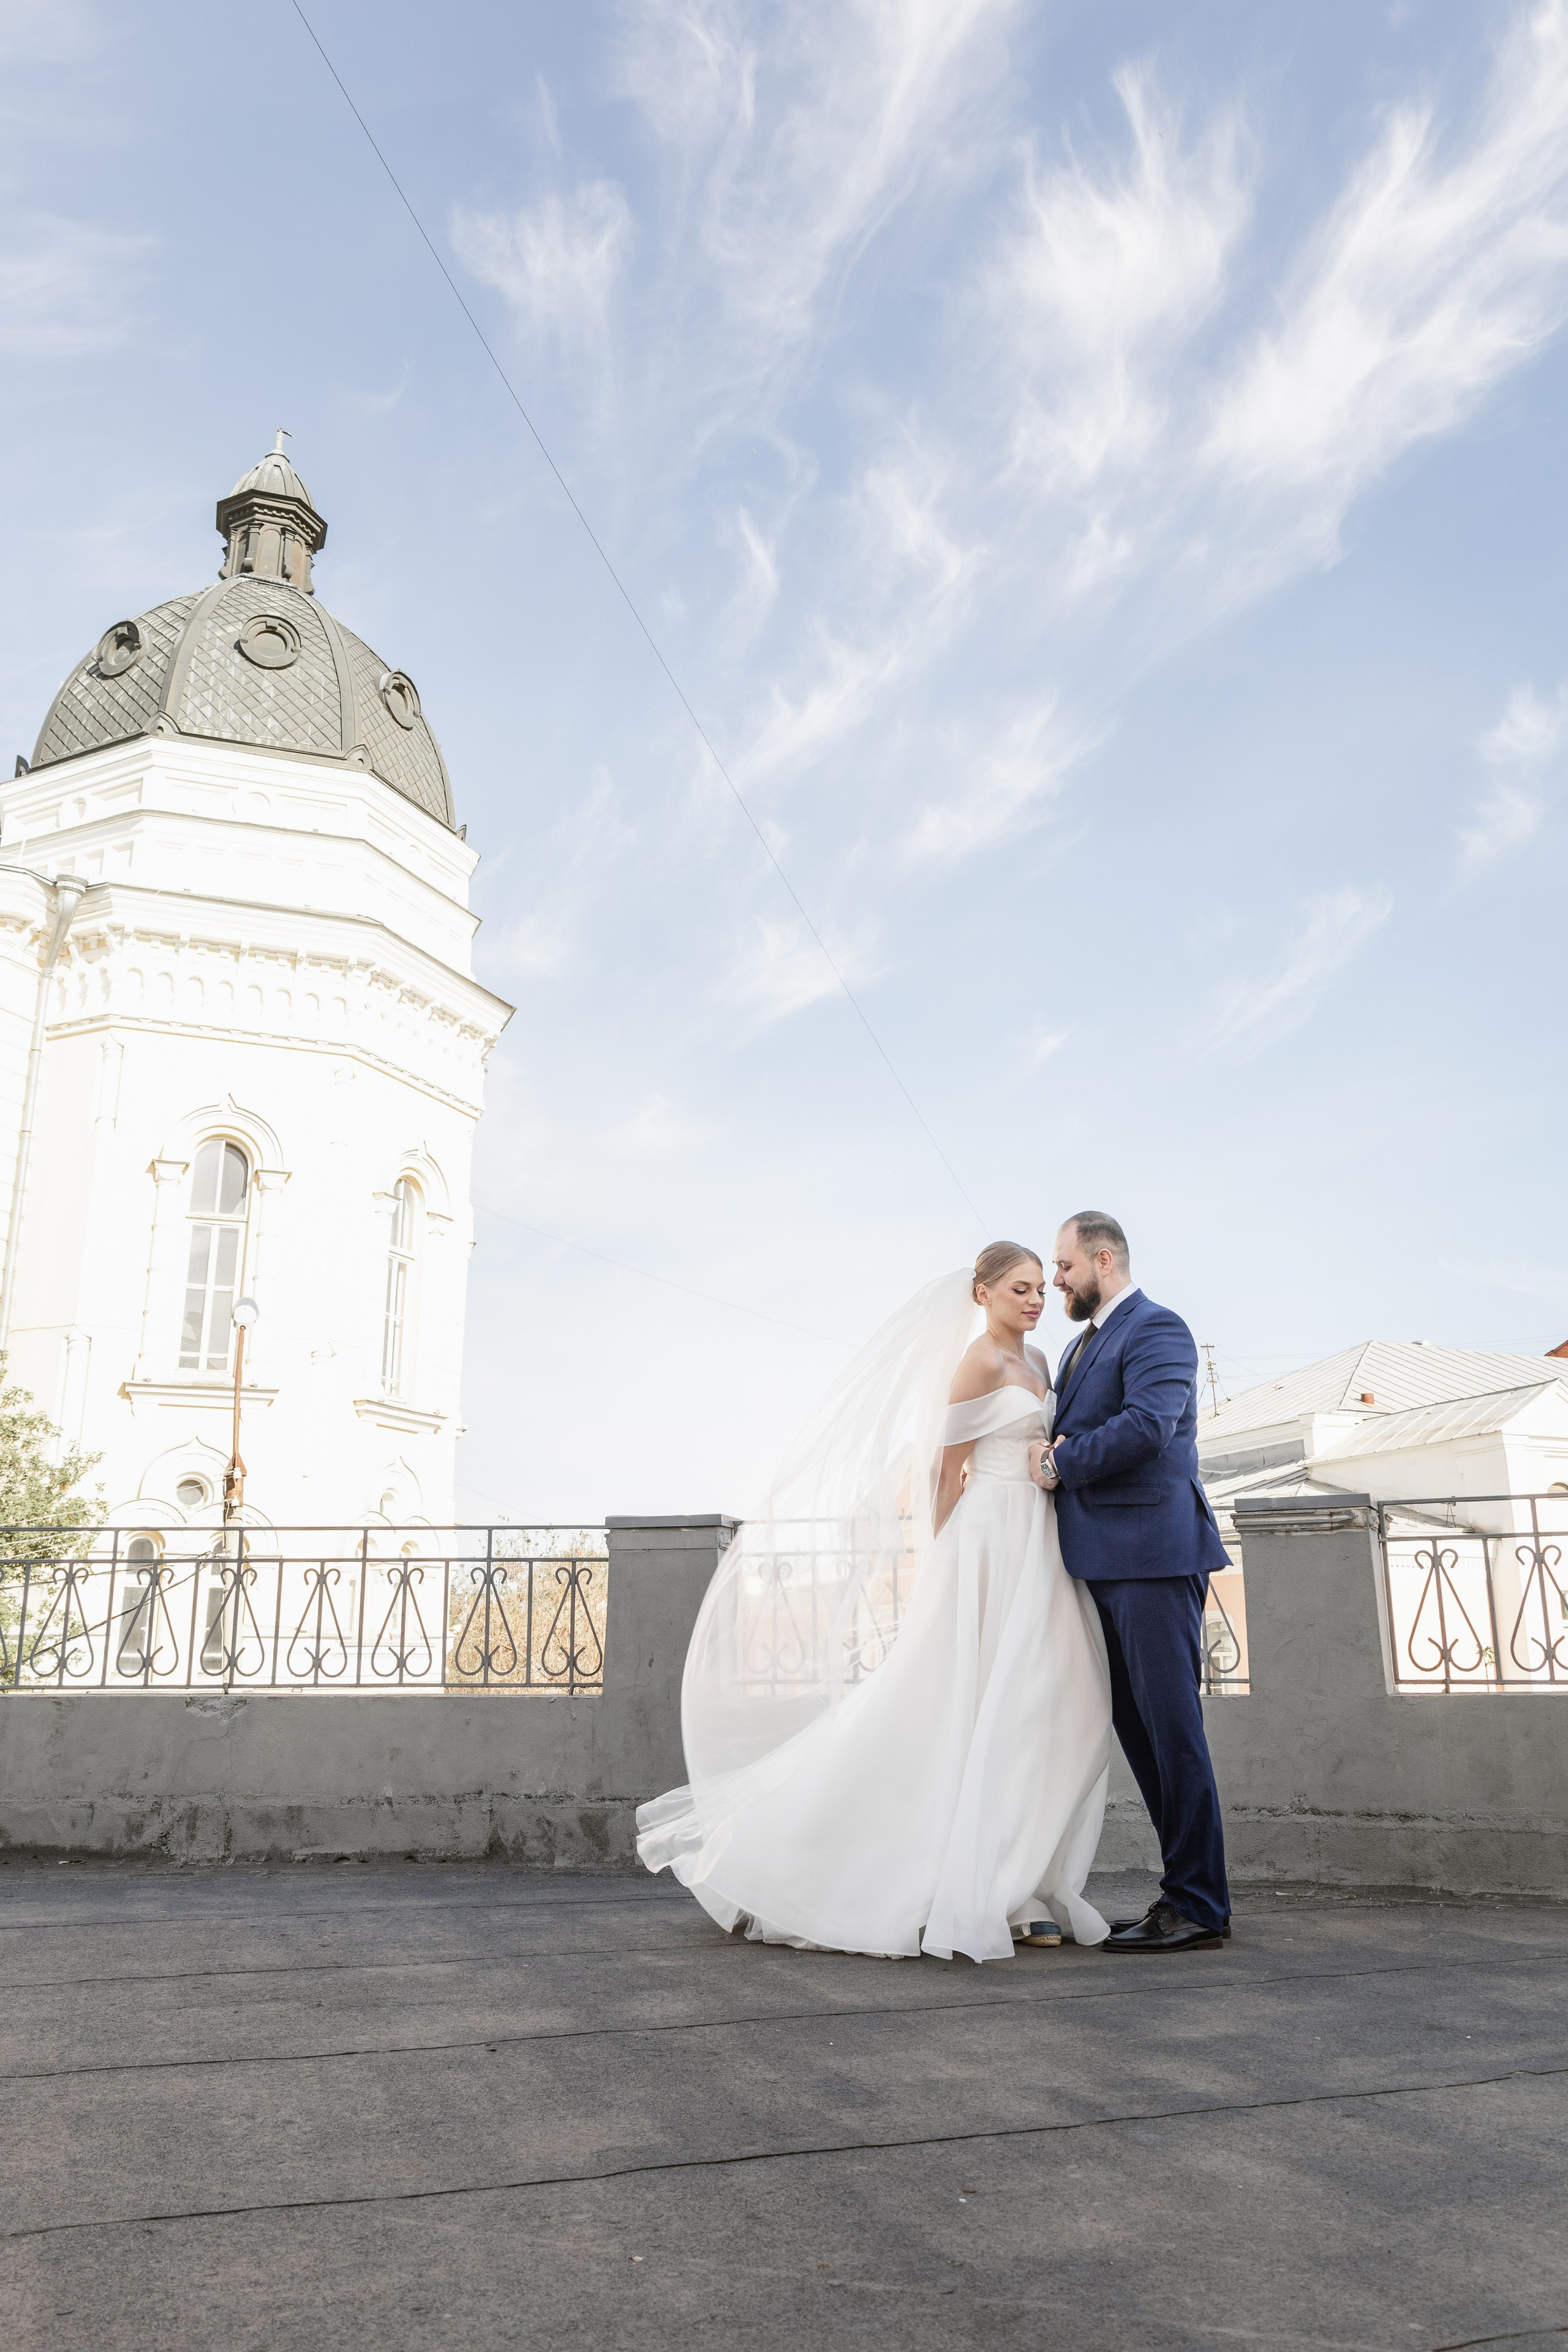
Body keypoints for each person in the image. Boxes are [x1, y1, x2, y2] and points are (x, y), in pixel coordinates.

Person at [636, 1244, 1114, 1961]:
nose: (1035, 1300)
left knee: (1043, 1700)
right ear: (982, 1294)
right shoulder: (977, 1363)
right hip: (985, 1539)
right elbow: (944, 1473)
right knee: (970, 1700)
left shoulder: (1042, 1364)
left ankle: (1024, 1877)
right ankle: (992, 1891)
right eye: (1019, 1288)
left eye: (1041, 1289)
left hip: (1037, 1541)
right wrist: (941, 1562)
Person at [1031, 1212, 1232, 1952]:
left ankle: (1200, 1903)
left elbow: (1150, 1425)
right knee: (1142, 1738)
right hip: (1100, 1562)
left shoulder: (1157, 1329)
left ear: (1103, 1259)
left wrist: (1059, 1464)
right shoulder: (1080, 1345)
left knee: (1172, 1734)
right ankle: (1183, 1894)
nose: (1055, 1281)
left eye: (1063, 1266)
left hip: (1152, 1554)